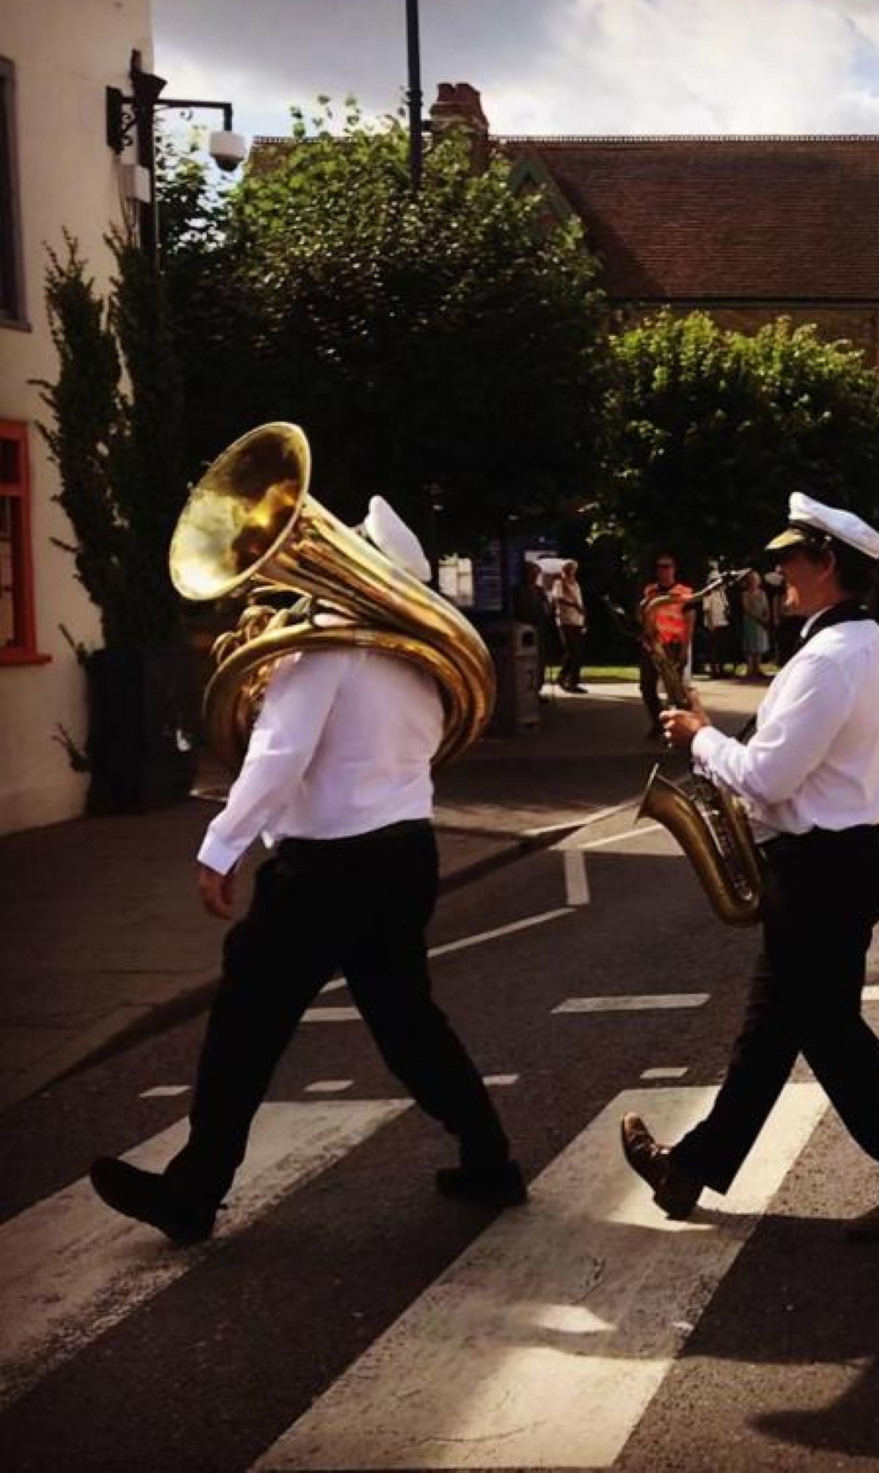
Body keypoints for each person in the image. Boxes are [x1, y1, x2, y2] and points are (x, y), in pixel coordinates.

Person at [88, 497, 523, 1245]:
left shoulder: (325, 648)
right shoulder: (421, 659)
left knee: (245, 1023)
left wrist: (222, 844)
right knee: (406, 1020)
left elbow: (278, 756)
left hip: (327, 866)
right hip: (405, 852)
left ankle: (194, 1190)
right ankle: (490, 1159)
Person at [621, 492, 879, 1240]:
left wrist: (701, 738)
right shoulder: (868, 647)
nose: (779, 576)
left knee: (831, 1037)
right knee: (770, 1028)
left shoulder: (831, 659)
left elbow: (769, 778)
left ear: (827, 563)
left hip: (821, 869)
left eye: (789, 562)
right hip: (841, 860)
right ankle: (689, 1170)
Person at [637, 553, 695, 736]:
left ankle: (681, 729)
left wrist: (685, 650)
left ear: (674, 568)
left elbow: (690, 622)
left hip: (674, 645)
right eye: (660, 567)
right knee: (646, 686)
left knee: (675, 691)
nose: (663, 570)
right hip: (652, 645)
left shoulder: (685, 592)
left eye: (667, 566)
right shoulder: (650, 591)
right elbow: (643, 614)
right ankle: (658, 723)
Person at [512, 559, 551, 696]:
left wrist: (547, 608)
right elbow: (517, 610)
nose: (534, 577)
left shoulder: (540, 590)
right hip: (525, 630)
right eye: (532, 573)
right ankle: (526, 691)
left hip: (539, 629)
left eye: (536, 574)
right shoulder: (517, 590)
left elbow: (546, 608)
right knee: (526, 661)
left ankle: (537, 689)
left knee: (540, 659)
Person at [550, 559, 588, 694]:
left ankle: (573, 680)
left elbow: (580, 600)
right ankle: (565, 679)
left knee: (578, 652)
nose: (573, 571)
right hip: (566, 620)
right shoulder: (560, 583)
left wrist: (583, 615)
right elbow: (557, 599)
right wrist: (573, 605)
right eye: (571, 568)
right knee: (572, 652)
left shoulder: (575, 584)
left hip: (577, 620)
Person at [699, 564, 733, 679]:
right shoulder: (708, 593)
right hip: (713, 623)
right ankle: (714, 670)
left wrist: (727, 612)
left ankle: (721, 668)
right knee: (713, 648)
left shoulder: (722, 593)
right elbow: (707, 610)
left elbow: (726, 605)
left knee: (722, 647)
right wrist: (710, 624)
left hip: (723, 622)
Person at [740, 568, 773, 678]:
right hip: (751, 622)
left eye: (757, 579)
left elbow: (767, 607)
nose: (755, 581)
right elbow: (746, 608)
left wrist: (766, 617)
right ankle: (749, 669)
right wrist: (758, 618)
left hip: (761, 622)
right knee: (750, 644)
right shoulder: (745, 593)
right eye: (753, 579)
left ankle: (757, 668)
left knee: (760, 644)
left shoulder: (762, 593)